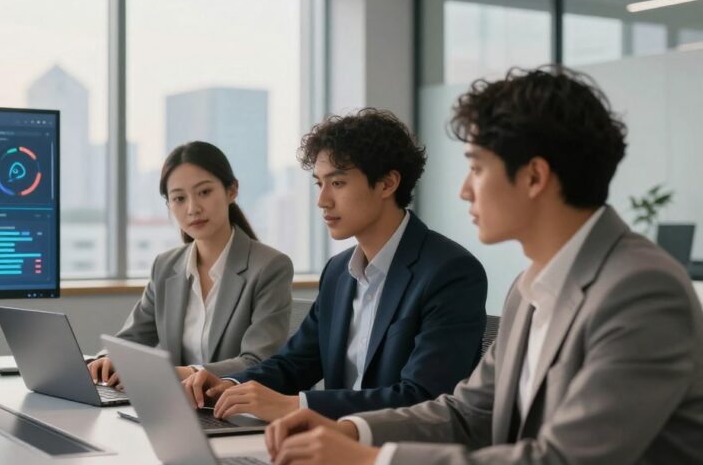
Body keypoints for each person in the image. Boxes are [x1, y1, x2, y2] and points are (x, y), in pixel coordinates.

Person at [265, 66, 703, 465]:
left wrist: (373, 464)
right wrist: (351, 431)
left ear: (534, 177)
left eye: (476, 167)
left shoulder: (641, 290)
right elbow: (467, 413)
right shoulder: (530, 287)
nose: (464, 190)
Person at [184, 109, 488, 421]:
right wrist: (227, 384)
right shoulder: (338, 272)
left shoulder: (450, 272)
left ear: (387, 183)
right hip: (329, 443)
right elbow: (294, 364)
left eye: (338, 183)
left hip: (398, 454)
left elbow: (423, 397)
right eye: (319, 184)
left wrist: (296, 406)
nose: (323, 200)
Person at [88, 141, 293, 386]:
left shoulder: (270, 267)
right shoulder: (165, 266)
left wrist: (182, 374)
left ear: (232, 191)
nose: (193, 208)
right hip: (177, 407)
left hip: (236, 410)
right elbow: (132, 338)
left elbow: (258, 361)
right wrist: (109, 358)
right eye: (179, 198)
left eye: (204, 192)